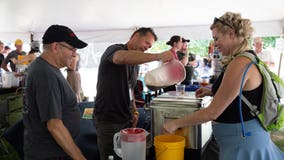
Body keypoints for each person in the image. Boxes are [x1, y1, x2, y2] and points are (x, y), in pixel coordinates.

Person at [163, 12, 284, 160]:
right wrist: (211, 91)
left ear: (231, 34)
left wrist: (175, 124)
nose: (215, 43)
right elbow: (240, 93)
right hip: (241, 141)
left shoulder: (240, 63)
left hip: (244, 144)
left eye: (216, 38)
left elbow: (212, 112)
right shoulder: (245, 58)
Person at [93, 27, 173, 160]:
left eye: (150, 46)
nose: (147, 47)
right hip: (109, 119)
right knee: (110, 156)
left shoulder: (136, 64)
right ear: (136, 35)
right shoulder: (114, 49)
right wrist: (157, 56)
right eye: (147, 43)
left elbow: (130, 89)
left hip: (126, 119)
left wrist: (134, 111)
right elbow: (121, 58)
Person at [23, 24, 88, 160]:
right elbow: (54, 125)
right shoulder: (45, 74)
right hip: (50, 153)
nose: (75, 54)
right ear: (55, 47)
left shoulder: (50, 68)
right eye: (72, 49)